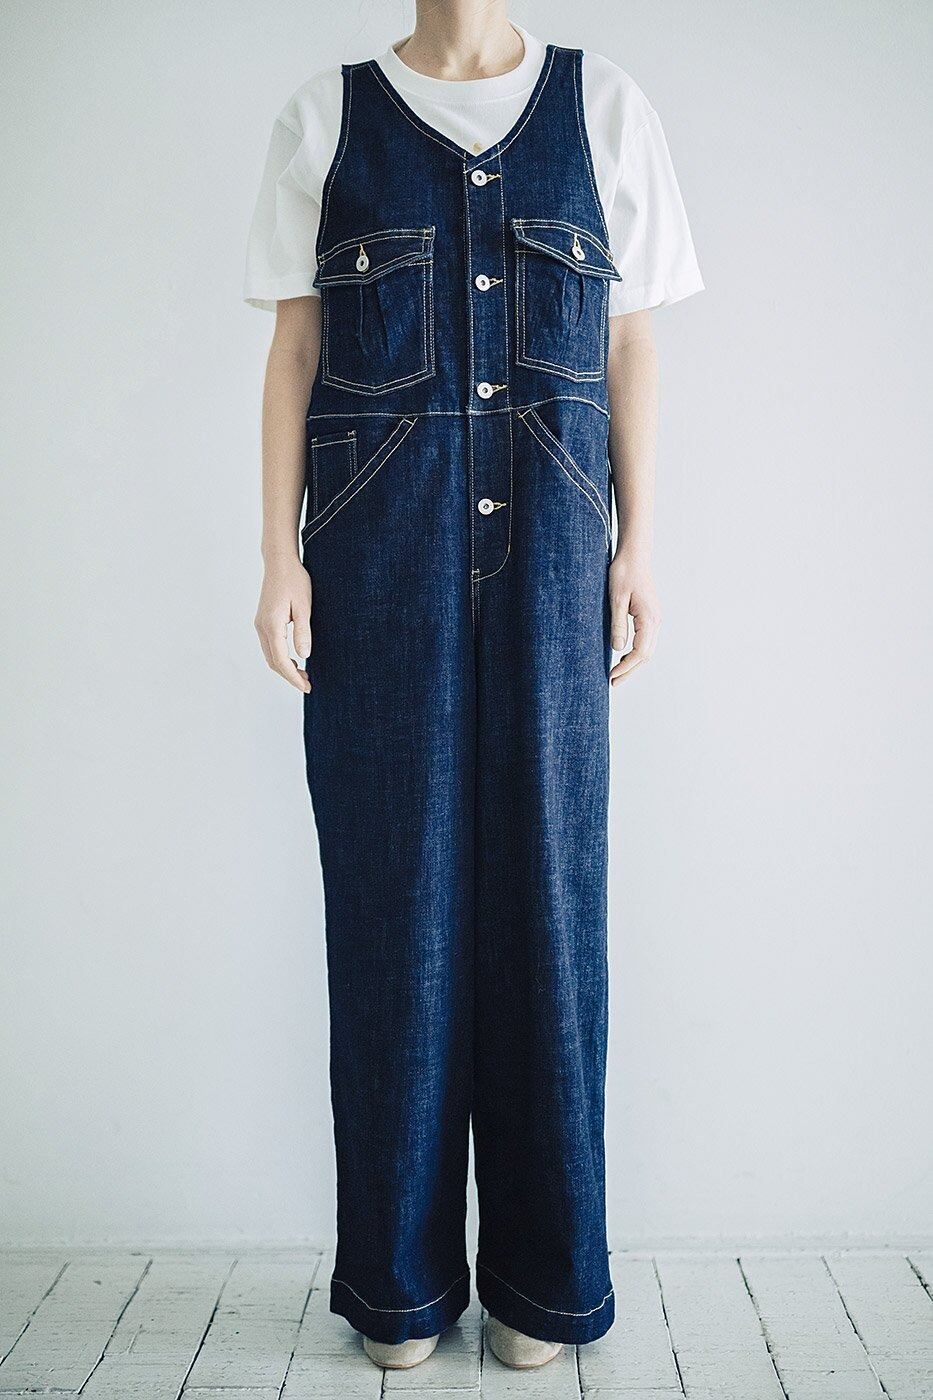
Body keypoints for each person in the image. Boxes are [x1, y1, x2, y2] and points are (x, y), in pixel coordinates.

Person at [244, 1, 702, 1373]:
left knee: (548, 908)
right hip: (377, 558)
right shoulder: (325, 117)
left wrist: (638, 547)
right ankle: (396, 1286)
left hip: (559, 556)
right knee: (393, 905)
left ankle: (544, 1284)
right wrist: (277, 555)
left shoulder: (603, 109)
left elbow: (629, 342)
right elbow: (295, 350)